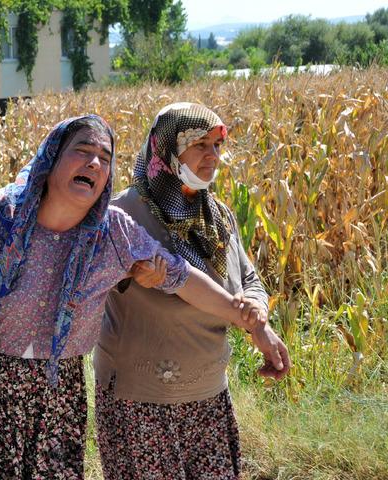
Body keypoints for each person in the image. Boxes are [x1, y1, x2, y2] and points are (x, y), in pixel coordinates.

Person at [0, 114, 272, 479]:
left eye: (105, 158)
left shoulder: (113, 232)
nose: (94, 163)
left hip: (60, 381)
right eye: (82, 151)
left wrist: (246, 319)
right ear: (53, 157)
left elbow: (181, 276)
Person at [93, 102, 291, 479]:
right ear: (166, 148)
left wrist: (258, 318)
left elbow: (248, 280)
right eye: (200, 145)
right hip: (141, 402)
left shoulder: (215, 215)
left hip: (208, 398)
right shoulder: (124, 216)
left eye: (217, 146)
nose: (213, 156)